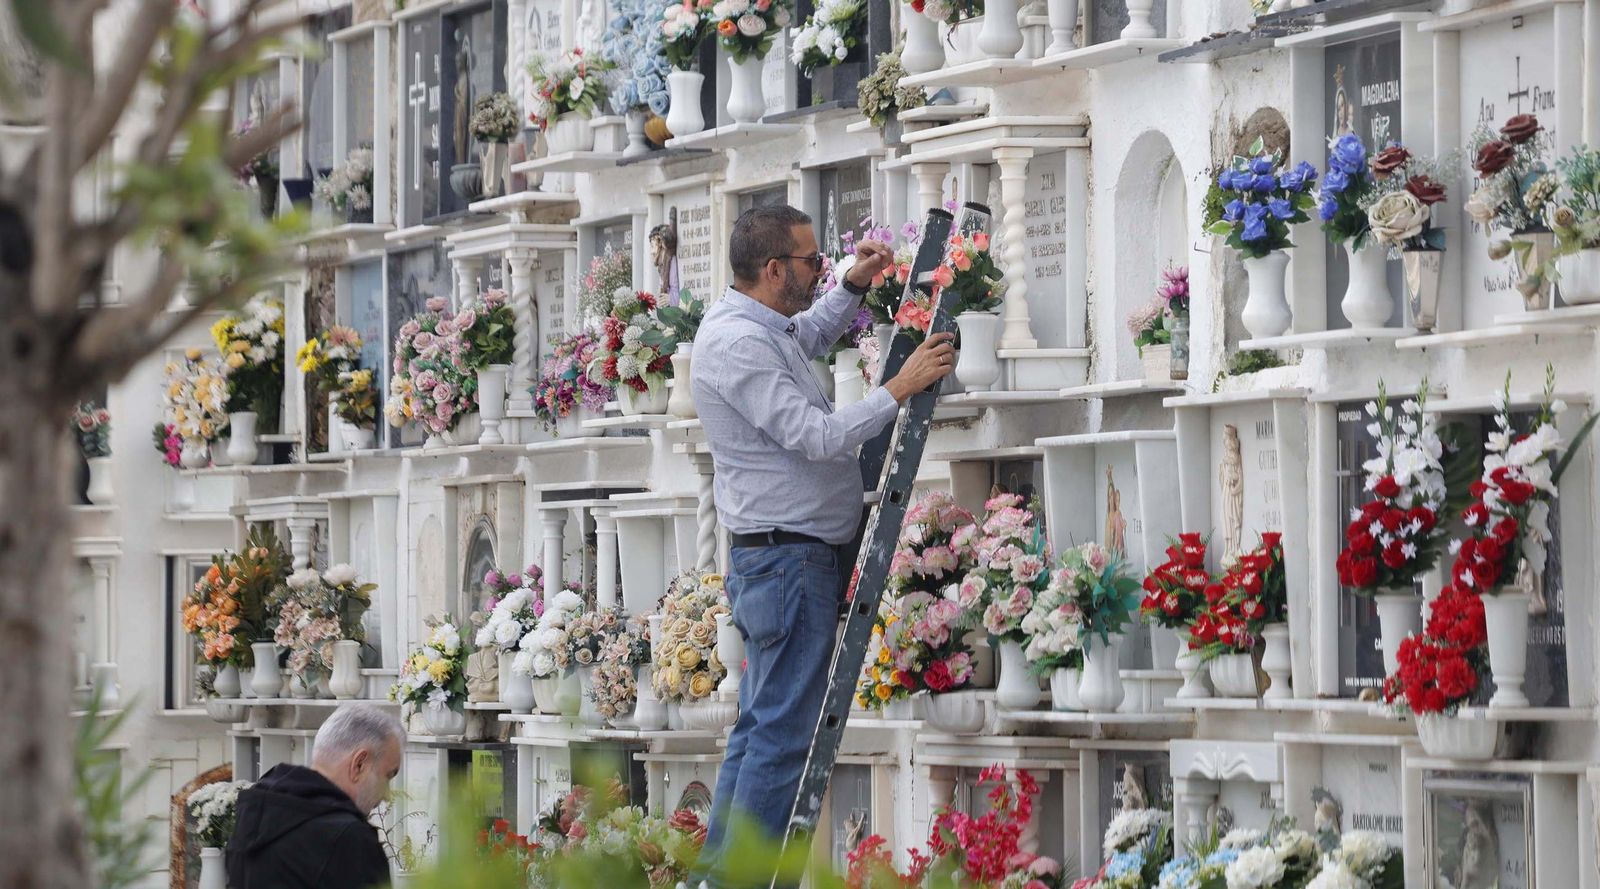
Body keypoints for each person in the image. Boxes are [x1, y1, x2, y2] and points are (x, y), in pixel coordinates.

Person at [690, 205, 956, 884]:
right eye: (812, 262)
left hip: (782, 556)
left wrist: (852, 286)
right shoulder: (738, 344)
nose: (820, 270)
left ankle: (722, 873)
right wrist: (898, 388)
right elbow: (815, 436)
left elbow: (803, 334)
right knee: (780, 740)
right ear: (773, 269)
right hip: (789, 559)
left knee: (758, 731)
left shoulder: (753, 324)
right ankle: (739, 879)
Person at [226, 702, 404, 889]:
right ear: (359, 764)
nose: (387, 795)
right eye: (388, 776)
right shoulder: (349, 839)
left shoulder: (257, 815)